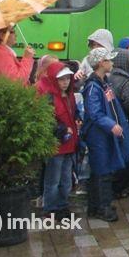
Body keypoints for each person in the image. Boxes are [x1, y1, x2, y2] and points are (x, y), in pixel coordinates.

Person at [81, 47, 129, 222]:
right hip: (98, 134)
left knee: (103, 169)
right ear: (102, 63)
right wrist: (112, 125)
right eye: (109, 60)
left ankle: (98, 205)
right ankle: (101, 207)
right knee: (102, 170)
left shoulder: (103, 82)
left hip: (104, 133)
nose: (112, 63)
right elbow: (94, 113)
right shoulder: (94, 86)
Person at [37, 62, 78, 218]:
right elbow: (47, 119)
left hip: (69, 143)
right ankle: (50, 208)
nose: (65, 82)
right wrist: (62, 129)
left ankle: (62, 205)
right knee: (53, 179)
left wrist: (77, 119)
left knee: (66, 178)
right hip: (57, 145)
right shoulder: (49, 96)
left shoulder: (69, 95)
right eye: (61, 79)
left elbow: (73, 113)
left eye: (67, 79)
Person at [109, 48, 129, 198]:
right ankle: (120, 188)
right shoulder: (126, 81)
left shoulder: (109, 77)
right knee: (126, 154)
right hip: (126, 122)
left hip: (112, 121)